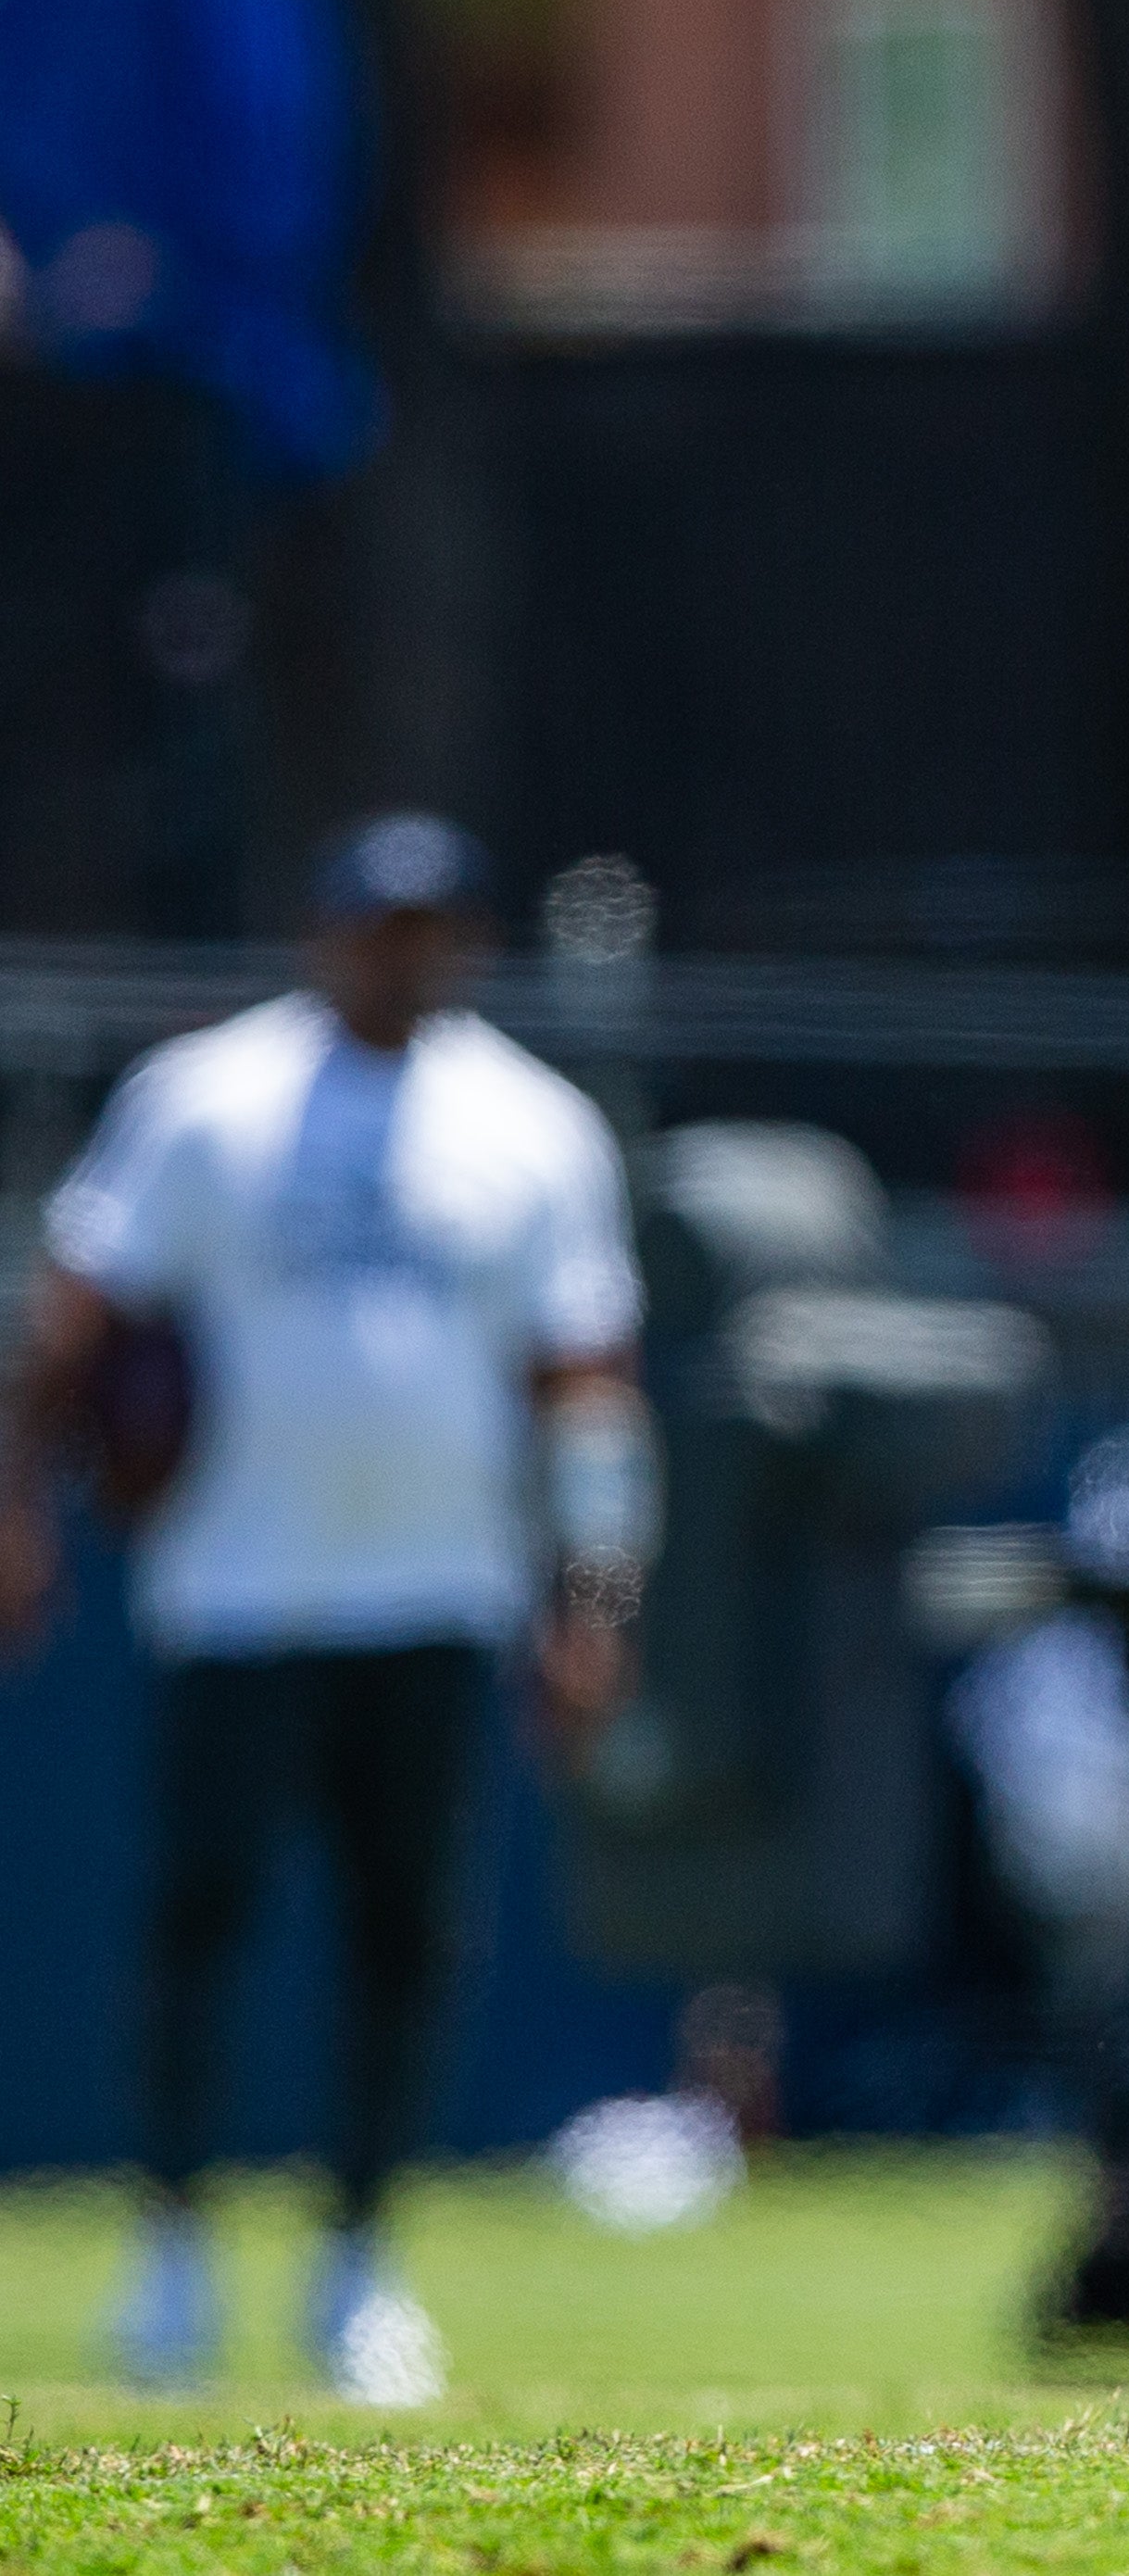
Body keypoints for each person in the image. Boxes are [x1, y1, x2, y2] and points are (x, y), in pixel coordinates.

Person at [0, 813, 657, 2405]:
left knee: (404, 1936)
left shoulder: (530, 1126)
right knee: (199, 1919)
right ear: (323, 932)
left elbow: (585, 1391)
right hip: (239, 1585)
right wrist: (17, 1500)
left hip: (435, 1591)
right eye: (380, 925)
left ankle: (359, 2263)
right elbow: (81, 1314)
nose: (405, 954)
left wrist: (590, 1601)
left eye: (434, 926)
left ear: (471, 942)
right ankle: (170, 2256)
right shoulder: (210, 1098)